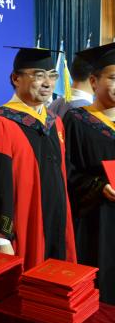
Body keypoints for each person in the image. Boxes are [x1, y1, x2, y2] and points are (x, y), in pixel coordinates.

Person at [0, 46, 77, 271]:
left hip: (56, 224)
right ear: (16, 78)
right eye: (39, 75)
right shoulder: (0, 124)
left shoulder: (54, 123)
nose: (47, 83)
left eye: (52, 76)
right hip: (22, 230)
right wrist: (1, 242)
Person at [63, 42, 115, 304]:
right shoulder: (77, 120)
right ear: (94, 81)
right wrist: (99, 186)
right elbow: (67, 173)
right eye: (113, 78)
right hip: (97, 220)